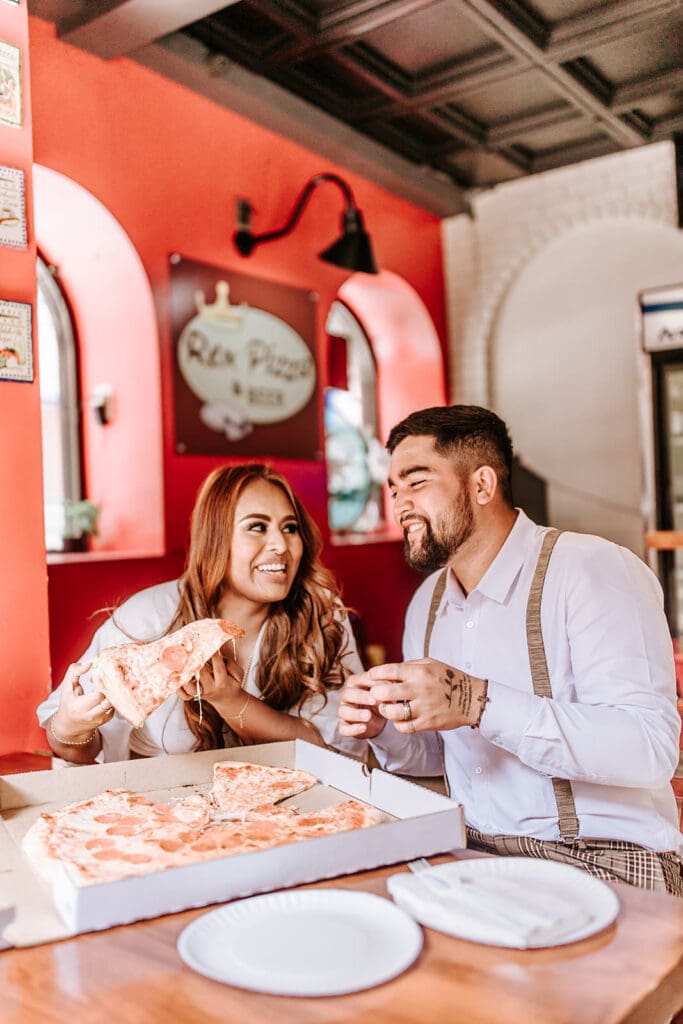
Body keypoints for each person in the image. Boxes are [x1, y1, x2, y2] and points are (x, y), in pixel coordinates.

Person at [338, 404, 683, 894]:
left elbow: (649, 749)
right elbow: (443, 756)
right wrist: (385, 733)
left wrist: (477, 701)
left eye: (417, 483)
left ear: (481, 485)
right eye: (394, 489)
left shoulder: (593, 569)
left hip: (605, 856)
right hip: (470, 849)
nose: (400, 504)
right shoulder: (427, 603)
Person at [38, 463, 368, 764]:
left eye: (290, 528)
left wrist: (229, 700)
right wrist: (72, 723)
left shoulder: (323, 616)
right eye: (257, 527)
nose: (280, 545)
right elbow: (72, 747)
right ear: (215, 538)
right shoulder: (150, 618)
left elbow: (327, 749)